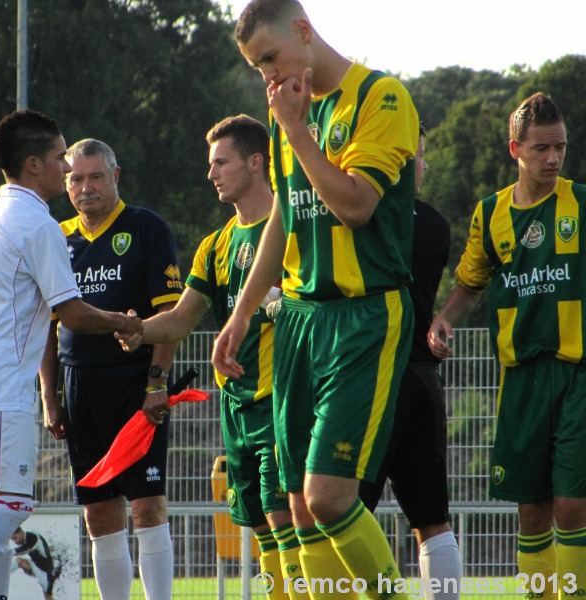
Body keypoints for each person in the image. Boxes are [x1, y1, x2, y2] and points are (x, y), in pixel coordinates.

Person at [211, 1, 419, 598]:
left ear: (304, 32)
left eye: (270, 58)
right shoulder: (285, 114)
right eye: (256, 67)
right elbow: (284, 217)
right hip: (299, 318)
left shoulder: (380, 98)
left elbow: (355, 206)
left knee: (329, 497)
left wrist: (297, 131)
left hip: (363, 315)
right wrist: (243, 311)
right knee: (299, 502)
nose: (267, 77)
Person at [0, 111, 142, 600]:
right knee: (12, 507)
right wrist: (121, 322)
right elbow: (69, 313)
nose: (66, 167)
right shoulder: (37, 223)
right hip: (0, 384)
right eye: (58, 157)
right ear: (32, 165)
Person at [117, 115, 302, 599]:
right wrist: (134, 329)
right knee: (262, 529)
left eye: (221, 162)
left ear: (256, 162)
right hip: (237, 407)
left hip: (283, 403)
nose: (211, 173)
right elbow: (180, 320)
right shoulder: (216, 244)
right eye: (210, 164)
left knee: (284, 520)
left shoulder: (297, 233)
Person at [428, 92, 586, 598]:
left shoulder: (581, 204)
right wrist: (444, 319)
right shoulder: (490, 213)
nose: (553, 158)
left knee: (572, 504)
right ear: (514, 148)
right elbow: (470, 282)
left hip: (577, 372)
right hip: (519, 379)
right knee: (532, 509)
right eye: (542, 148)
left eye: (560, 147)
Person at [38, 138, 181, 600]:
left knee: (147, 506)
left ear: (115, 177)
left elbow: (170, 316)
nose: (86, 188)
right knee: (98, 513)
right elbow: (46, 327)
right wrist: (51, 397)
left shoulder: (145, 228)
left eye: (96, 176)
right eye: (75, 179)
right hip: (80, 388)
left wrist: (156, 384)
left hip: (135, 387)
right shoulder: (56, 237)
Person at [358, 125, 462, 599]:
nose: (424, 166)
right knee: (432, 520)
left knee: (343, 511)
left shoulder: (358, 217)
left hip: (368, 377)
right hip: (422, 377)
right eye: (418, 157)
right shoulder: (436, 225)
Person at [10, 527, 62, 600]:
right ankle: (3, 574)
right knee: (19, 561)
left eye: (15, 538)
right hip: (36, 566)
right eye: (13, 540)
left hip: (46, 570)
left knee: (48, 597)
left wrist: (8, 553)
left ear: (21, 532)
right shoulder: (26, 539)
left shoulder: (33, 537)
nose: (15, 542)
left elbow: (25, 549)